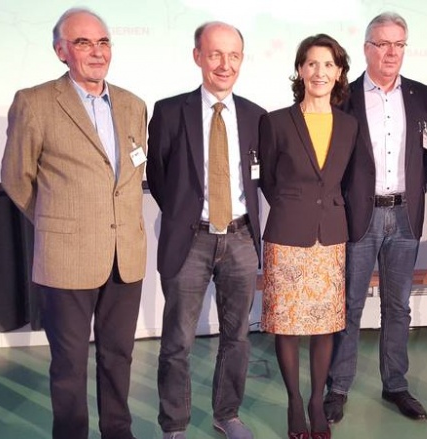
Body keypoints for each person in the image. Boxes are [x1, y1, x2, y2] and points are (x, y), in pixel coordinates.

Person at [0, 8, 148, 439]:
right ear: (61, 51)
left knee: (119, 356)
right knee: (68, 363)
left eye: (103, 42)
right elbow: (16, 178)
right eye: (83, 43)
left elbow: (131, 173)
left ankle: (118, 432)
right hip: (66, 257)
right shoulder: (36, 102)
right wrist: (56, 222)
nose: (96, 52)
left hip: (126, 256)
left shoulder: (133, 104)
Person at [146, 21, 266, 439]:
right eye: (215, 54)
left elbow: (260, 177)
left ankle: (226, 414)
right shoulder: (168, 110)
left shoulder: (255, 116)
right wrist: (186, 217)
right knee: (177, 342)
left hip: (240, 238)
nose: (224, 64)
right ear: (197, 56)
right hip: (190, 240)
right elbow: (160, 178)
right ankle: (174, 424)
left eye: (233, 55)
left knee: (237, 337)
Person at [325, 11, 427, 423]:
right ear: (367, 49)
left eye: (399, 44)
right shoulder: (345, 97)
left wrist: (407, 190)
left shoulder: (422, 95)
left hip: (405, 217)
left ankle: (396, 385)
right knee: (350, 306)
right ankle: (337, 388)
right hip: (360, 217)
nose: (391, 52)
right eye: (383, 44)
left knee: (399, 307)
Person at [260, 34, 357, 439]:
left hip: (331, 236)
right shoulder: (276, 121)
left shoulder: (350, 125)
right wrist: (294, 206)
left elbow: (346, 180)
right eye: (312, 64)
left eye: (328, 65)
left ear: (339, 73)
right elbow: (266, 178)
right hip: (287, 234)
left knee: (324, 325)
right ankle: (294, 402)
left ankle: (317, 400)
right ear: (300, 70)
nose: (320, 72)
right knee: (287, 325)